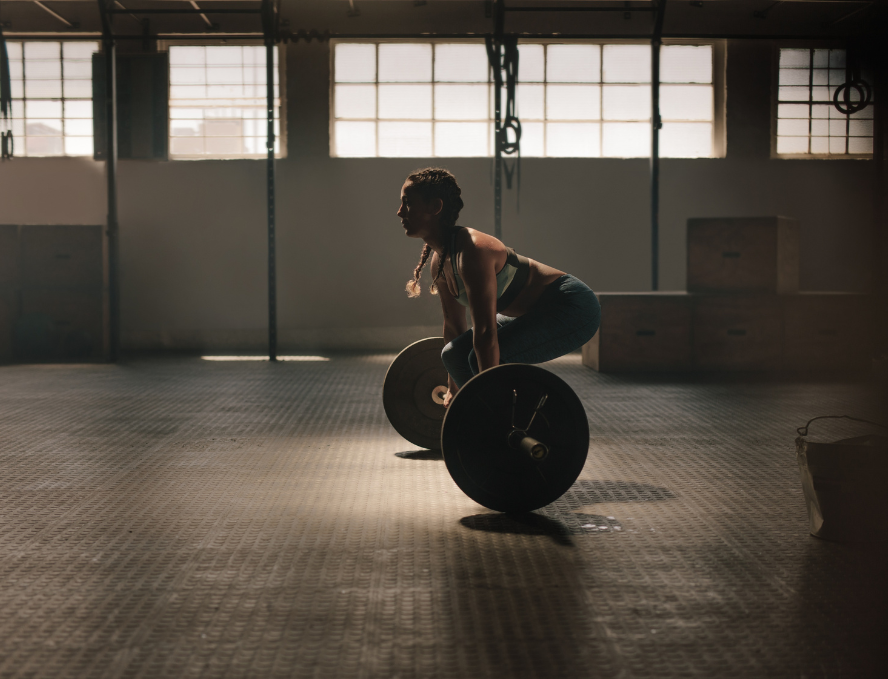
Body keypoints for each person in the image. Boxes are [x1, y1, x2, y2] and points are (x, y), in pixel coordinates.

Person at [399, 167, 601, 407]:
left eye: (407, 203)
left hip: (573, 308)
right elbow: (454, 327)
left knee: (484, 359)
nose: (400, 212)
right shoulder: (440, 261)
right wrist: (454, 389)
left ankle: (507, 416)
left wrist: (492, 398)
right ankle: (480, 414)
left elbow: (485, 333)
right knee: (453, 354)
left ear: (435, 207)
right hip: (531, 314)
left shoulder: (473, 250)